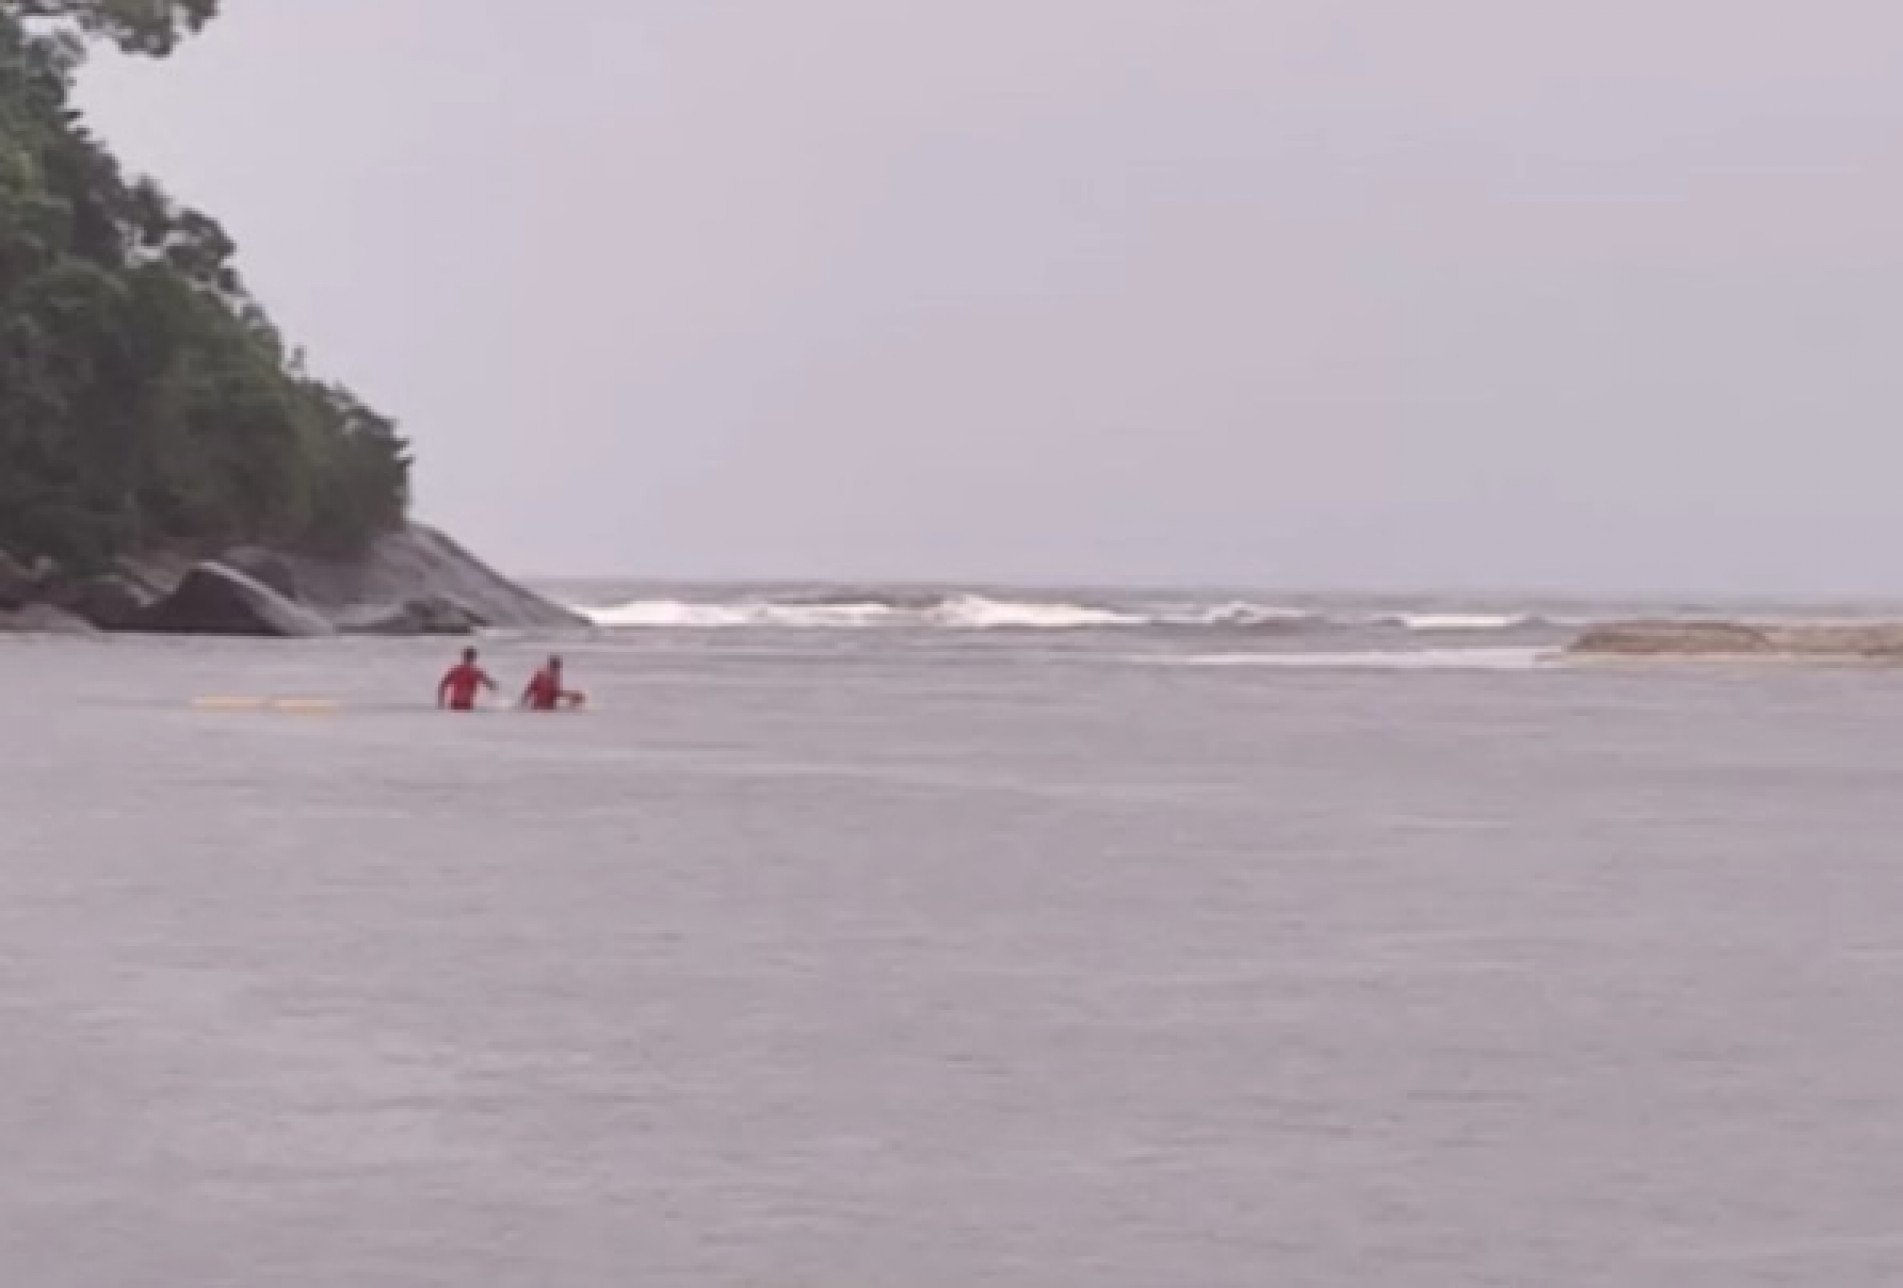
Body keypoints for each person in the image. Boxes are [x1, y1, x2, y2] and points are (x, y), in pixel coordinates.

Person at [437, 646, 496, 712]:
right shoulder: (476, 672)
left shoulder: (456, 670)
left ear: (463, 657)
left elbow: (443, 684)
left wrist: (440, 701)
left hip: (454, 704)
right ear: (474, 658)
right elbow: (491, 685)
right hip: (467, 705)